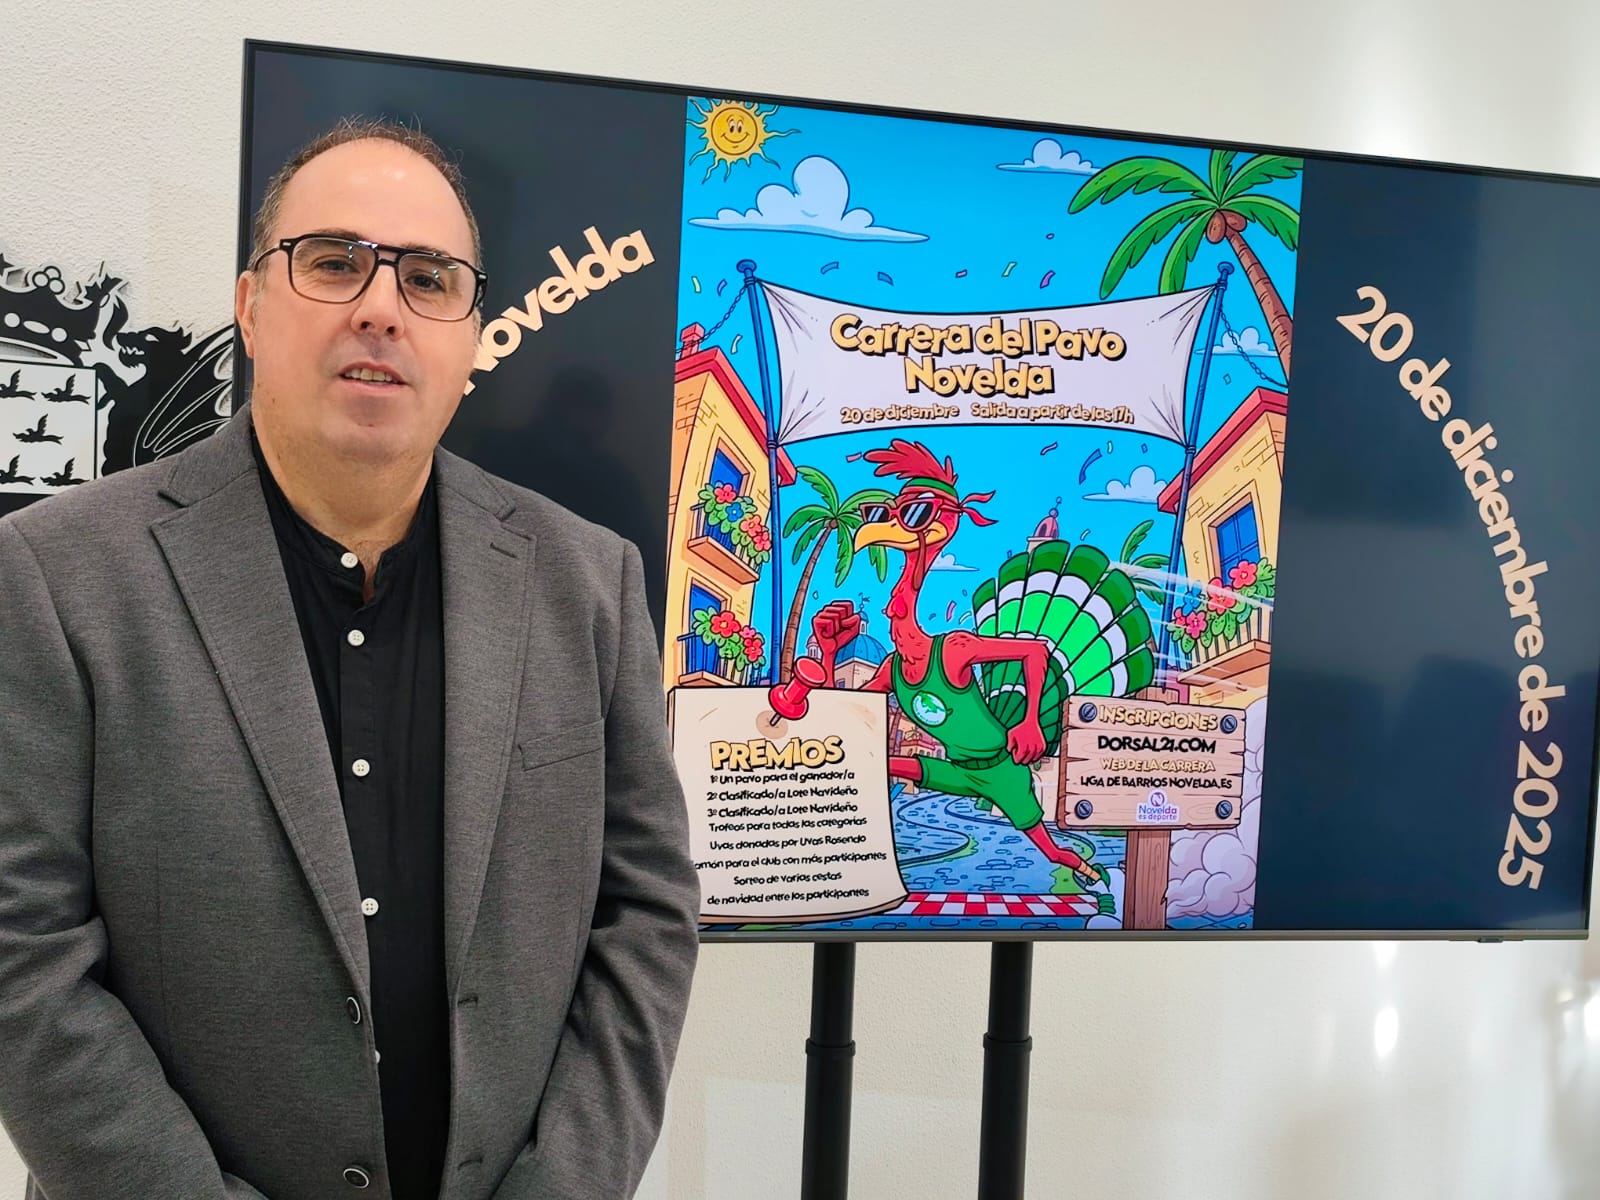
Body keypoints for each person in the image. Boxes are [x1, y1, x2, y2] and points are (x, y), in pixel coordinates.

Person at [0, 117, 700, 1199]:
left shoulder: (588, 580)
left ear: (471, 336)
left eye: (428, 279)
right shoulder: (56, 576)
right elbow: (23, 951)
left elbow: (646, 910)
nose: (381, 307)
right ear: (250, 306)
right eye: (333, 262)